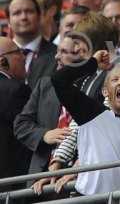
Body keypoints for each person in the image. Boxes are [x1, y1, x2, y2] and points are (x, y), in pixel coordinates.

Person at [50, 51, 120, 195]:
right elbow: (59, 79)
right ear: (105, 92)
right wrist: (92, 63)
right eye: (115, 79)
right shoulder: (93, 114)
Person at [14, 35, 87, 186]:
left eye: (64, 52)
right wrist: (45, 134)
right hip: (40, 178)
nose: (56, 56)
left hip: (75, 177)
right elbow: (21, 124)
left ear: (82, 54)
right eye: (57, 51)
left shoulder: (91, 86)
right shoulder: (45, 85)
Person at [5, 0, 57, 88]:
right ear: (8, 21)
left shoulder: (57, 55)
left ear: (39, 16)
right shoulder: (1, 56)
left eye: (29, 11)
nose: (24, 17)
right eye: (17, 13)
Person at [0, 37, 31, 191]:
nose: (24, 57)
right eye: (18, 52)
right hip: (11, 185)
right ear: (2, 62)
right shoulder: (16, 91)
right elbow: (26, 135)